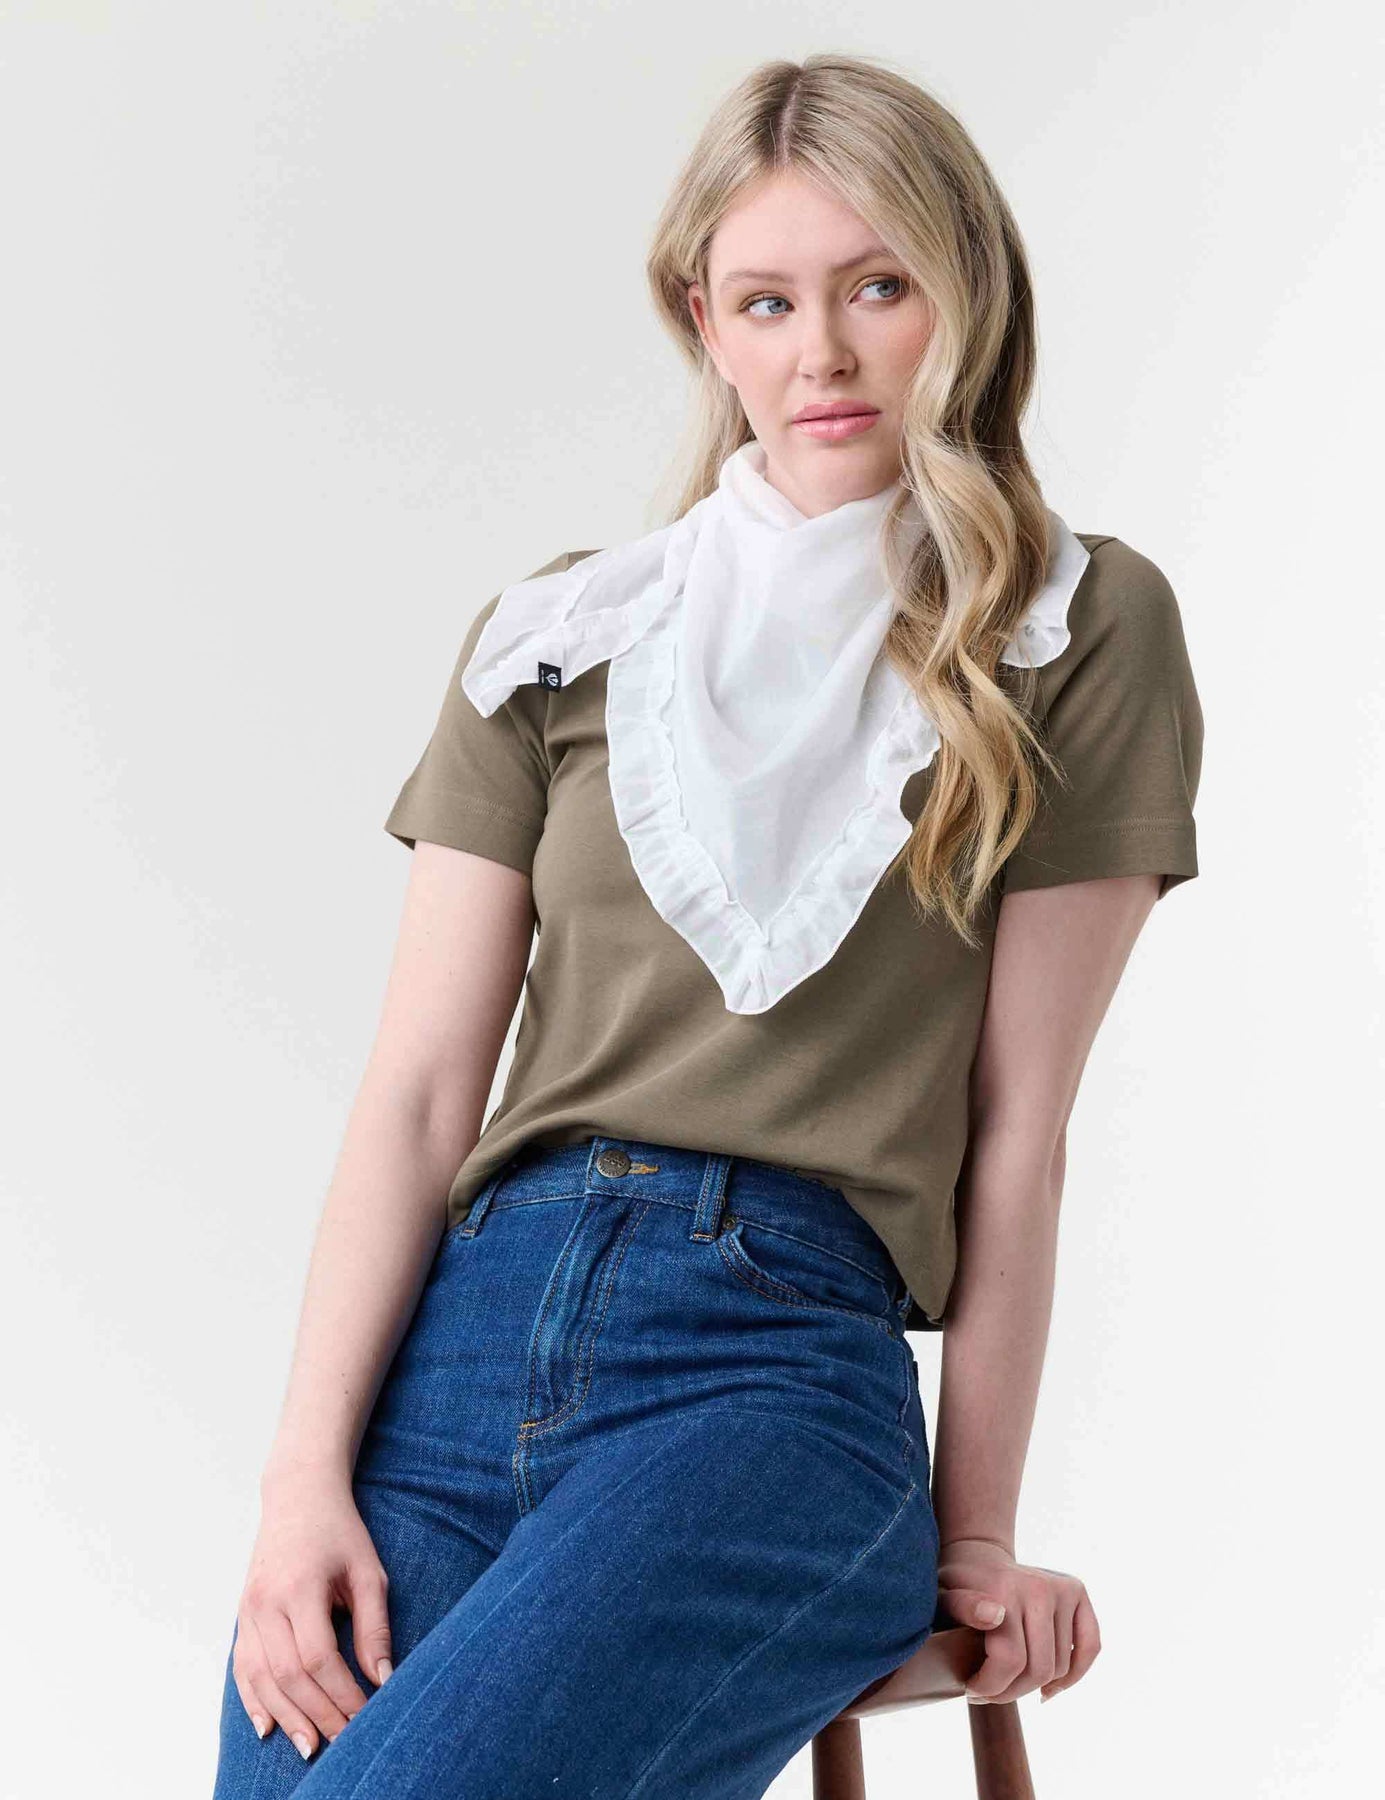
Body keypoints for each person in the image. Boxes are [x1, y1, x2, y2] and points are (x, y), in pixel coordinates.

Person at [210, 51, 1203, 1800]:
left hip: (769, 1373)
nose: (821, 352)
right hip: (454, 1354)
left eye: (876, 287)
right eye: (767, 301)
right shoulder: (561, 633)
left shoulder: (1073, 625)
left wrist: (974, 1531)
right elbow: (419, 1099)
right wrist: (299, 1488)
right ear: (706, 324)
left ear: (963, 297)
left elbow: (1018, 1127)